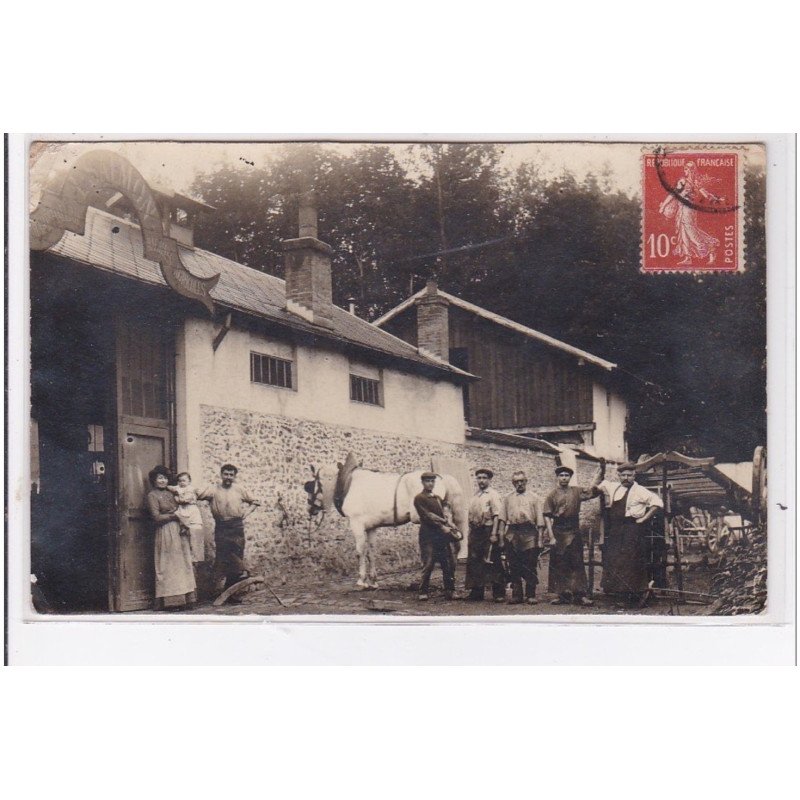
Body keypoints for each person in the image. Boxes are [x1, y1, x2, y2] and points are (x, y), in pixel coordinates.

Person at [590, 462, 663, 606]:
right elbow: (594, 487)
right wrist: (601, 470)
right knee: (614, 559)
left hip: (632, 529)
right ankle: (617, 593)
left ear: (634, 475)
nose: (626, 478)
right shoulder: (612, 487)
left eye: (629, 475)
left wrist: (643, 518)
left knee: (630, 561)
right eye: (623, 475)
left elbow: (657, 503)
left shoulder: (640, 490)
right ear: (618, 475)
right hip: (615, 529)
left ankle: (632, 597)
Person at [197, 464, 260, 603]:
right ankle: (219, 591)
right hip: (222, 526)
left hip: (236, 526)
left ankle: (234, 594)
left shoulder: (239, 489)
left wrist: (245, 514)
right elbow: (197, 494)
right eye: (226, 474)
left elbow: (255, 501)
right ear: (221, 474)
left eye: (231, 475)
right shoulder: (213, 489)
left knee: (237, 556)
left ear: (234, 476)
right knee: (223, 557)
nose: (228, 477)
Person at [146, 465, 196, 611]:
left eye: (165, 478)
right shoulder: (152, 495)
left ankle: (186, 599)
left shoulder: (172, 493)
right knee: (168, 565)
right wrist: (174, 516)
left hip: (179, 530)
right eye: (160, 478)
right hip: (165, 531)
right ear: (154, 480)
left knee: (183, 563)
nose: (163, 481)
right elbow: (156, 517)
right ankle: (171, 602)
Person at [543, 465, 594, 607]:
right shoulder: (552, 495)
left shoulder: (576, 491)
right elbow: (547, 516)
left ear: (570, 477)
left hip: (574, 529)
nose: (564, 477)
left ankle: (580, 595)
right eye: (561, 475)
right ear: (557, 477)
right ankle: (563, 595)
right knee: (560, 562)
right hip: (558, 530)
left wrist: (600, 471)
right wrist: (551, 536)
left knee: (577, 562)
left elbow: (592, 492)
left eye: (566, 475)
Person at [658, 161, 722, 267]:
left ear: (691, 170)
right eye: (685, 169)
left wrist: (714, 198)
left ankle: (704, 245)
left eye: (687, 169)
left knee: (690, 229)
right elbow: (674, 194)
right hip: (681, 208)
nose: (685, 171)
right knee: (683, 231)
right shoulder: (683, 181)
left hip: (689, 209)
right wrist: (664, 205)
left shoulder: (694, 182)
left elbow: (704, 193)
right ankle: (688, 257)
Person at [413, 472, 461, 601]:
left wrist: (450, 524)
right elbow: (427, 516)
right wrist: (442, 526)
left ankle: (450, 591)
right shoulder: (419, 498)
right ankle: (423, 591)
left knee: (448, 563)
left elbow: (445, 514)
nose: (430, 483)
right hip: (428, 536)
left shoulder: (438, 498)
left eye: (432, 481)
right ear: (422, 482)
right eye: (428, 481)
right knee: (428, 564)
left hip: (441, 537)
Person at [503, 471, 547, 605]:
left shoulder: (534, 498)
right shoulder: (508, 498)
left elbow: (540, 520)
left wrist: (540, 539)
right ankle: (517, 595)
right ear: (513, 483)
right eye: (516, 482)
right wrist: (501, 535)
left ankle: (530, 594)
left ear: (526, 481)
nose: (519, 484)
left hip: (529, 532)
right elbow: (502, 518)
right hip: (513, 532)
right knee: (514, 564)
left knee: (530, 564)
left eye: (522, 481)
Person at [465, 468, 506, 602]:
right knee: (475, 561)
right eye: (479, 478)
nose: (481, 480)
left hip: (488, 531)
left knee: (493, 561)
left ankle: (499, 593)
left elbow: (497, 516)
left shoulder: (493, 494)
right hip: (476, 532)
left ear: (489, 480)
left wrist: (494, 534)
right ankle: (477, 592)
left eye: (484, 478)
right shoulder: (475, 495)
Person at [167, 471, 205, 562]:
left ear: (189, 481)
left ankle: (196, 557)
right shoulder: (178, 488)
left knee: (194, 531)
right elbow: (169, 487)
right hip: (182, 509)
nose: (181, 483)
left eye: (184, 481)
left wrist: (177, 497)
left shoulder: (191, 489)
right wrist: (174, 490)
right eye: (179, 481)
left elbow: (185, 500)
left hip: (190, 509)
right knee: (178, 514)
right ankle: (183, 526)